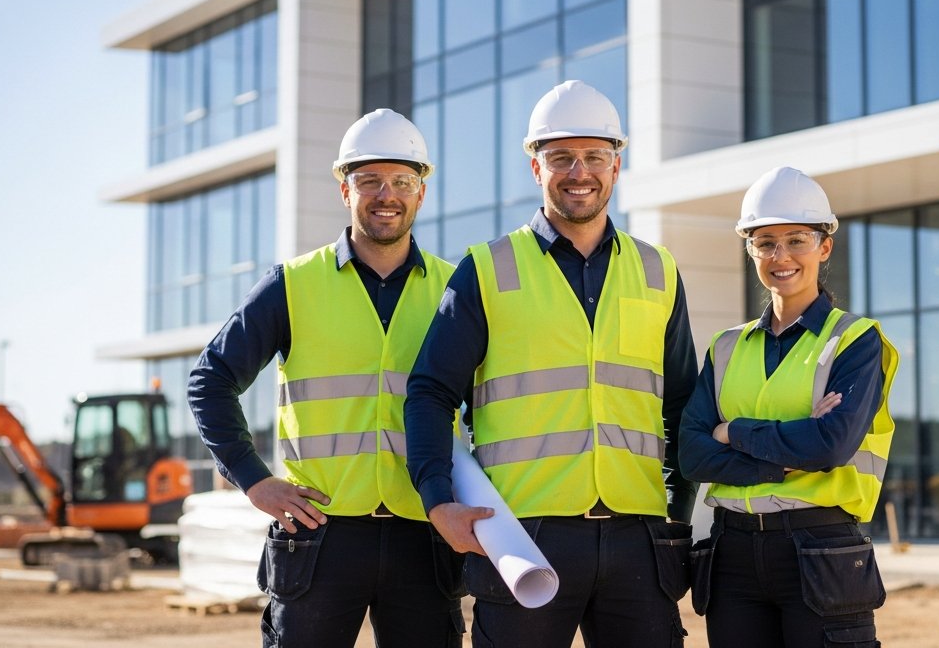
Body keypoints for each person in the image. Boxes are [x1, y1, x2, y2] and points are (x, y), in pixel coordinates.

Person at [404, 80, 698, 648]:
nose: (578, 171)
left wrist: (677, 514)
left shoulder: (658, 270)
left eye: (594, 156)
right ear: (536, 168)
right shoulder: (486, 270)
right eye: (560, 157)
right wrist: (438, 499)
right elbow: (430, 393)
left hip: (638, 537)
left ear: (617, 166)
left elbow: (683, 405)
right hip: (522, 536)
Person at [187, 109, 463, 648]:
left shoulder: (456, 291)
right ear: (345, 190)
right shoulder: (292, 284)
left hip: (424, 532)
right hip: (318, 533)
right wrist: (254, 479)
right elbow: (209, 380)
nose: (387, 194)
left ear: (421, 192)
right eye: (369, 181)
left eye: (402, 181)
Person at [679, 166, 899, 648]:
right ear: (750, 250)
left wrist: (731, 431)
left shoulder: (856, 342)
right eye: (765, 242)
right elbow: (692, 456)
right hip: (732, 553)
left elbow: (830, 446)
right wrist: (788, 456)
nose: (780, 256)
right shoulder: (725, 347)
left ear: (825, 246)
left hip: (821, 551)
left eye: (796, 240)